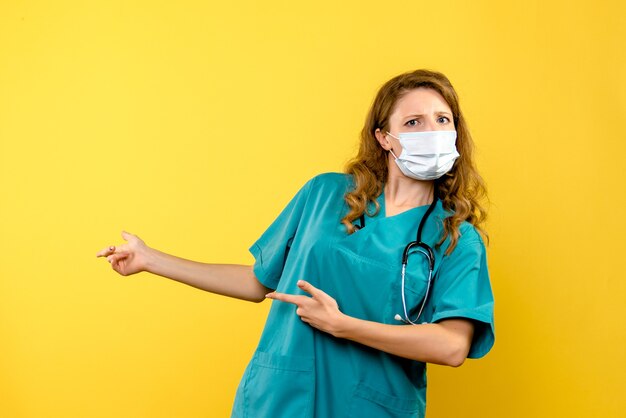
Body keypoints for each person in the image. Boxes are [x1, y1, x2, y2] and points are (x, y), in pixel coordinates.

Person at [96, 69, 495, 418]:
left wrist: (344, 326)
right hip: (283, 398)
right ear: (384, 137)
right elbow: (259, 283)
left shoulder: (456, 236)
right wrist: (151, 259)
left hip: (373, 405)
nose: (432, 131)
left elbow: (451, 347)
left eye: (443, 119)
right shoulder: (324, 195)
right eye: (413, 121)